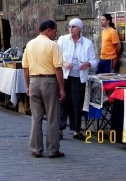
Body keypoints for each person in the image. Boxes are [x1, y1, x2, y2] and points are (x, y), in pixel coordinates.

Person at [22, 20, 65, 158]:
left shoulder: (30, 44)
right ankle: (53, 149)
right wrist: (62, 88)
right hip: (49, 81)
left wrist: (28, 85)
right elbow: (58, 68)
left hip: (34, 81)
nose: (55, 34)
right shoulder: (53, 45)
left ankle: (35, 148)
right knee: (52, 116)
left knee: (36, 117)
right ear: (48, 30)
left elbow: (25, 68)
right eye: (54, 31)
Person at [57, 18, 97, 140]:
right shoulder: (63, 40)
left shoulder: (87, 43)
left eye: (73, 26)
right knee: (63, 101)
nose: (71, 29)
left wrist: (87, 64)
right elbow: (56, 56)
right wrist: (63, 63)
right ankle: (60, 129)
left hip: (79, 77)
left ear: (80, 28)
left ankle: (76, 130)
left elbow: (94, 61)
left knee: (77, 103)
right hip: (65, 75)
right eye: (69, 26)